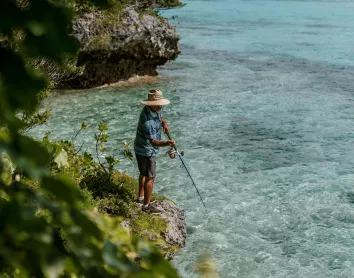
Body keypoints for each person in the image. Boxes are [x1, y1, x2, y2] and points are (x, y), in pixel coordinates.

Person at [134, 89, 175, 214]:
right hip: (147, 151)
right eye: (160, 104)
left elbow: (160, 117)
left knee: (143, 173)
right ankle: (146, 206)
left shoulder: (151, 110)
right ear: (153, 105)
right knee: (150, 177)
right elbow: (154, 142)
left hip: (139, 148)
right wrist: (167, 143)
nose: (161, 106)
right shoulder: (148, 123)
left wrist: (164, 123)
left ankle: (140, 198)